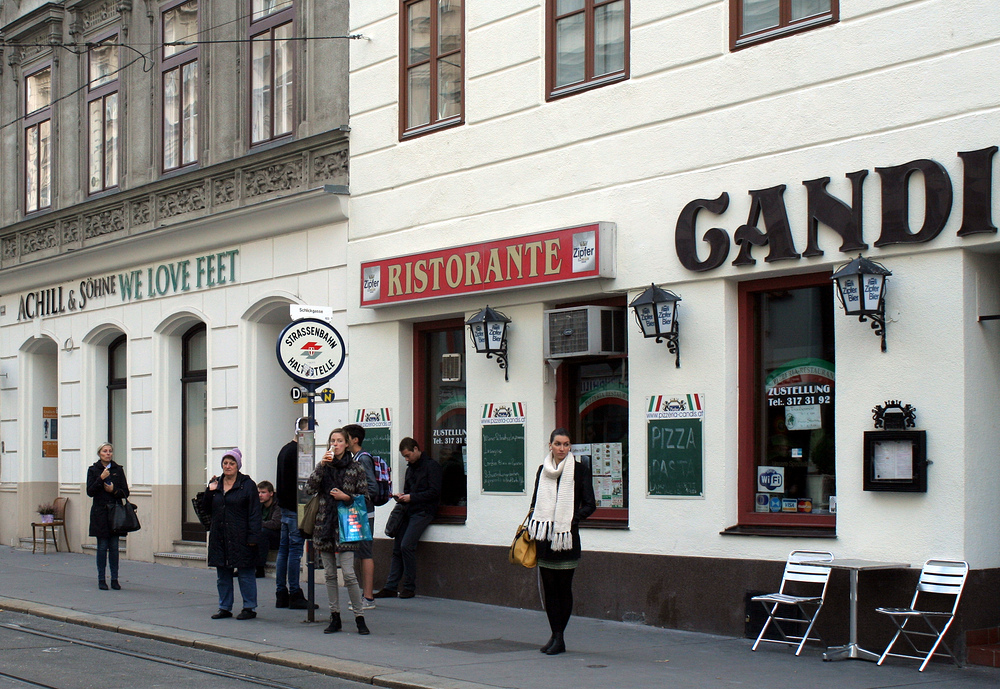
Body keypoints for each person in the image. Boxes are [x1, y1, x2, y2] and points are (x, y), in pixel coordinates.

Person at [527, 428, 596, 656]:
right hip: (545, 539)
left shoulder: (580, 470)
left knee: (563, 589)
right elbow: (536, 501)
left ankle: (560, 637)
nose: (562, 448)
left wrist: (571, 520)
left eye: (566, 444)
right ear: (550, 445)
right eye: (558, 444)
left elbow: (590, 504)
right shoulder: (542, 471)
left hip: (566, 539)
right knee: (549, 590)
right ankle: (555, 635)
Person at [306, 428, 371, 635]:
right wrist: (321, 466)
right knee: (329, 574)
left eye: (339, 440)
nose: (335, 444)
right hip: (324, 523)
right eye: (332, 440)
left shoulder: (356, 467)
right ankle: (335, 616)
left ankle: (359, 617)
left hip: (347, 523)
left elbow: (365, 497)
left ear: (346, 444)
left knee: (349, 574)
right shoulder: (324, 465)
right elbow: (308, 488)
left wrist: (346, 497)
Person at [373, 437, 442, 600]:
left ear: (416, 449)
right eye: (404, 456)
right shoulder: (410, 468)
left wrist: (412, 497)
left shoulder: (432, 466)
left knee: (406, 545)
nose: (406, 459)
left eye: (408, 455)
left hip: (424, 511)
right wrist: (402, 496)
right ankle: (390, 587)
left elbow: (434, 492)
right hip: (409, 510)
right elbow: (409, 490)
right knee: (397, 547)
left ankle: (409, 587)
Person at [202, 448, 261, 621]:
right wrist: (209, 490)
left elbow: (254, 513)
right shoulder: (217, 483)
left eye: (231, 463)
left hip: (241, 535)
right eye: (225, 463)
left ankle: (249, 607)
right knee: (223, 574)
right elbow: (205, 508)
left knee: (245, 573)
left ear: (238, 465)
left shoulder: (247, 485)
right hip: (220, 535)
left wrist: (253, 537)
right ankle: (224, 607)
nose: (228, 466)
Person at [274, 418, 311, 609]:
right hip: (296, 508)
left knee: (284, 550)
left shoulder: (284, 450)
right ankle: (295, 593)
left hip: (285, 507)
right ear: (300, 432)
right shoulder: (298, 453)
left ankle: (282, 593)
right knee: (294, 552)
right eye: (308, 433)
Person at [86, 442, 130, 591]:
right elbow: (90, 491)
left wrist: (114, 490)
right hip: (100, 513)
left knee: (114, 547)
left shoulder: (118, 469)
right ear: (99, 454)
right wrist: (101, 478)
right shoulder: (93, 470)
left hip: (115, 513)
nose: (108, 453)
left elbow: (125, 492)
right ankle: (101, 579)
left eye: (110, 451)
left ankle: (115, 579)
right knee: (102, 547)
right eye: (105, 451)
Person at [343, 423, 377, 609]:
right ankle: (362, 594)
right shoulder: (355, 458)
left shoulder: (362, 459)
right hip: (357, 511)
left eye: (345, 437)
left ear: (354, 440)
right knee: (359, 552)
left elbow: (371, 488)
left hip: (363, 512)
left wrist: (352, 497)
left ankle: (368, 597)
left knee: (365, 552)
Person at [256, 481, 282, 578]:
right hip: (262, 534)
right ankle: (243, 566)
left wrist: (258, 524)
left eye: (263, 492)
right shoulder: (259, 505)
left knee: (262, 532)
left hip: (276, 536)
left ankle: (259, 568)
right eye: (258, 493)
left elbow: (276, 523)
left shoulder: (277, 505)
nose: (260, 495)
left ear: (271, 493)